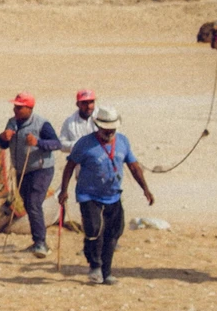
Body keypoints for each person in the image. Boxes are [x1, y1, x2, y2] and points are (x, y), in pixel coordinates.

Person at [57, 106, 155, 285]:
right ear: (98, 126)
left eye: (112, 129)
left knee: (114, 232)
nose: (109, 132)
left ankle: (106, 271)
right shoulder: (84, 144)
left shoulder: (123, 141)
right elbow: (70, 166)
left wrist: (145, 189)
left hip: (113, 195)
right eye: (105, 129)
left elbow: (133, 166)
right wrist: (64, 190)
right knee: (95, 229)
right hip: (89, 195)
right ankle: (95, 266)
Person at [0, 92, 62, 257]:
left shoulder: (42, 124)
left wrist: (38, 143)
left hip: (41, 169)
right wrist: (3, 137)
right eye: (15, 106)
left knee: (33, 203)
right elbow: (3, 144)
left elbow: (56, 143)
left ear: (29, 108)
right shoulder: (12, 122)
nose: (15, 110)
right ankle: (37, 241)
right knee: (27, 202)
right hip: (21, 170)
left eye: (19, 107)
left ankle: (40, 243)